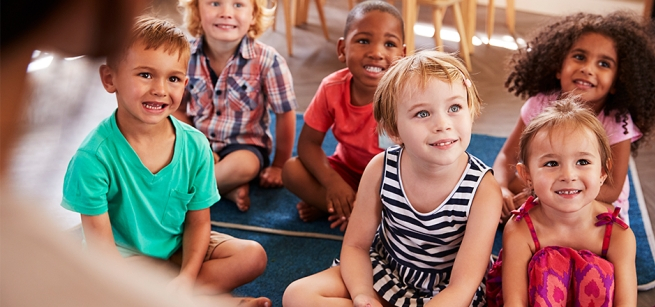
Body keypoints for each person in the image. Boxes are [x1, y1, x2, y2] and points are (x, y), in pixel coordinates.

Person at [59, 15, 270, 306]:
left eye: (172, 78)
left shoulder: (195, 145)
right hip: (123, 260)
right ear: (110, 79)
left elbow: (198, 223)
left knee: (252, 256)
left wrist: (186, 277)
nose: (160, 89)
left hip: (176, 246)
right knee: (122, 289)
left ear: (185, 83)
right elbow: (103, 257)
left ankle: (176, 296)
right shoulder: (92, 158)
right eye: (145, 74)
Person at [282, 50, 503, 307]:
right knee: (297, 295)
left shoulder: (484, 190)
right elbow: (355, 246)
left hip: (445, 293)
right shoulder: (381, 167)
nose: (443, 124)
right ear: (393, 130)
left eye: (454, 107)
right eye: (422, 113)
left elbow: (463, 285)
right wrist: (362, 296)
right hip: (384, 271)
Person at [493, 11, 655, 224]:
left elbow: (612, 189)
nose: (587, 69)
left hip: (591, 196)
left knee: (597, 226)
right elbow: (507, 157)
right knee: (496, 196)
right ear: (559, 67)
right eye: (579, 57)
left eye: (604, 64)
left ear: (617, 82)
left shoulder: (617, 122)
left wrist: (547, 197)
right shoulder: (539, 103)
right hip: (545, 185)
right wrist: (501, 189)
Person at [486, 98, 637, 306]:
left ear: (603, 171)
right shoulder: (520, 230)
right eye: (551, 163)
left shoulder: (618, 235)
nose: (568, 175)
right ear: (527, 175)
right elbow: (516, 303)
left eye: (582, 162)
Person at [281, 0, 405, 231]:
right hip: (346, 171)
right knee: (291, 171)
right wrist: (332, 183)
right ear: (342, 49)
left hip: (393, 181)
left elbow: (418, 162)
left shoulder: (407, 97)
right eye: (363, 41)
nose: (376, 53)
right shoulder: (331, 87)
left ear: (403, 55)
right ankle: (352, 210)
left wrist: (377, 197)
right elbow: (308, 144)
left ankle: (351, 212)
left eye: (389, 44)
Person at [175, 0, 297, 212]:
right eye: (215, 3)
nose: (226, 13)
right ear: (197, 11)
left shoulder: (269, 61)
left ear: (253, 16)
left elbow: (285, 113)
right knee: (153, 147)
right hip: (196, 140)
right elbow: (176, 108)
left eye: (238, 5)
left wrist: (279, 166)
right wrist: (197, 142)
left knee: (245, 166)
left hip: (244, 145)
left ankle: (179, 197)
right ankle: (225, 189)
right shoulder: (183, 55)